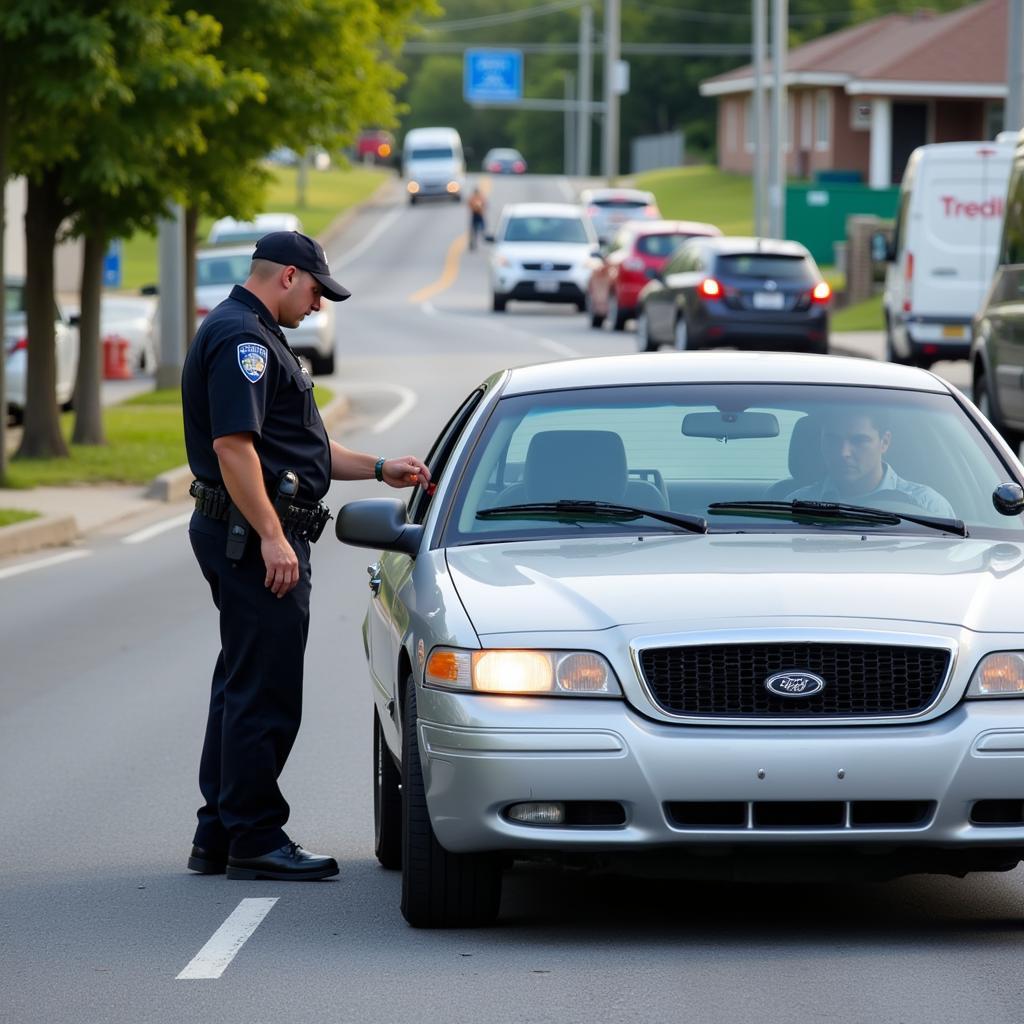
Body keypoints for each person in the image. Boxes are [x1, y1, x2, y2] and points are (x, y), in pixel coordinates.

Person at [181, 230, 430, 881]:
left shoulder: (253, 332)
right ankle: (256, 839)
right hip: (253, 536)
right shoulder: (245, 343)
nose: (320, 306)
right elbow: (236, 448)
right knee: (265, 690)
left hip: (244, 529)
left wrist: (380, 466)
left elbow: (302, 448)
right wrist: (269, 535)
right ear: (288, 276)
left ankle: (219, 832)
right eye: (318, 290)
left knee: (240, 685)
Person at [789, 407, 955, 519]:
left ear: (884, 442)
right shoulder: (793, 505)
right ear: (820, 441)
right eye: (832, 440)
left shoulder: (928, 507)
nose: (843, 452)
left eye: (859, 440)